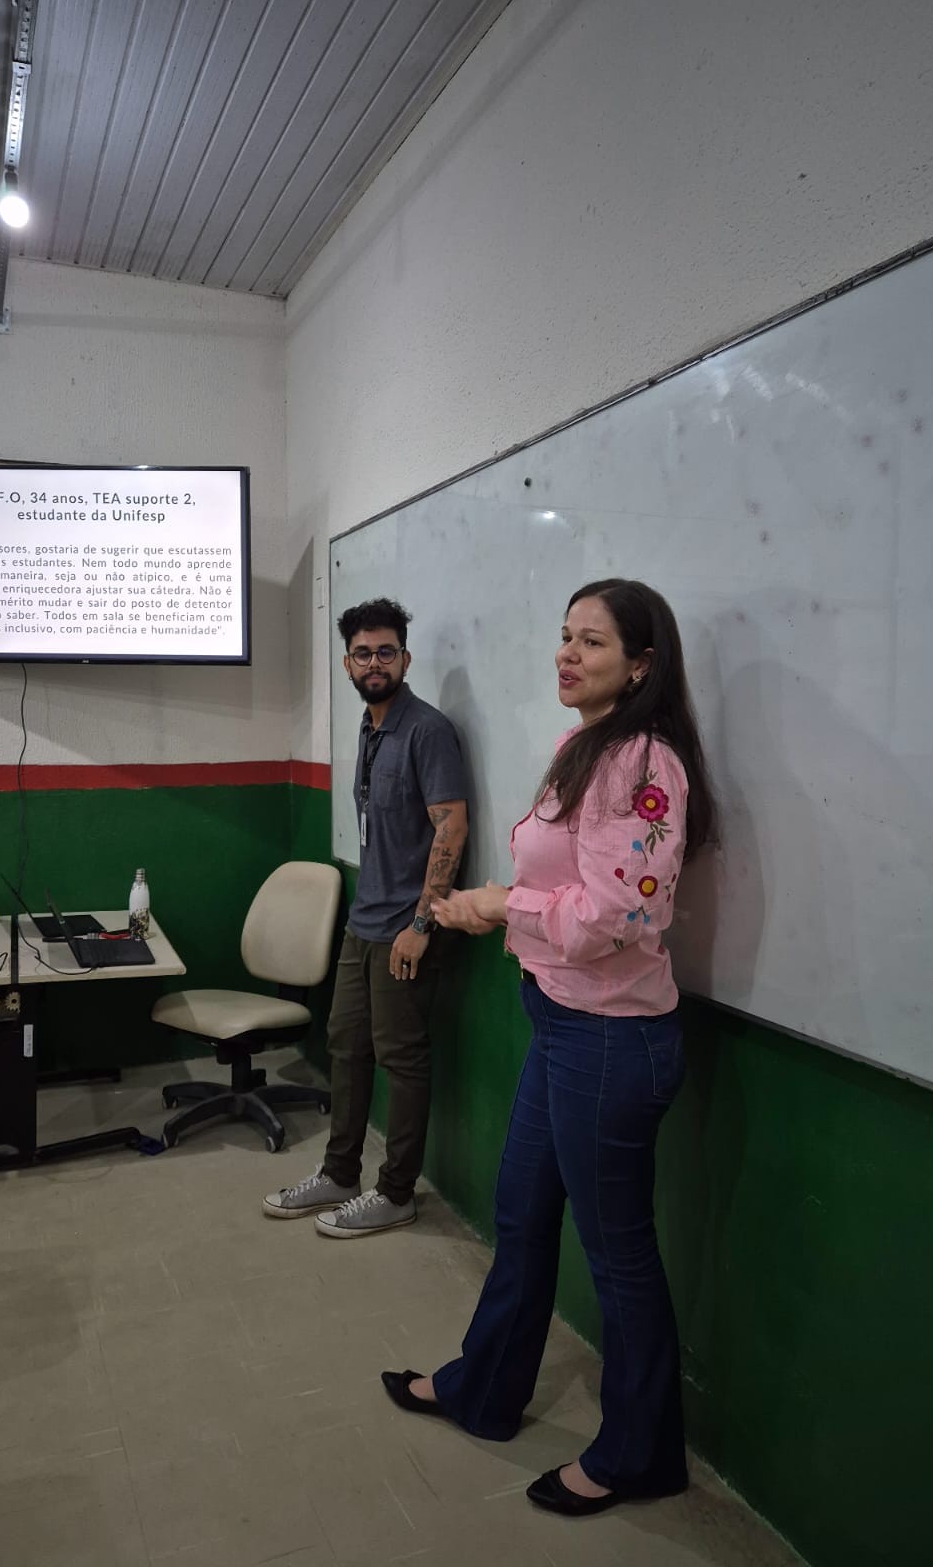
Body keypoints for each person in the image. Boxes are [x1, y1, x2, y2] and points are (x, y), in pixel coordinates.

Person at [380, 578, 716, 1516]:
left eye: (593, 644)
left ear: (641, 665)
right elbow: (569, 878)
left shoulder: (647, 763)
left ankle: (639, 1455)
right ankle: (483, 1389)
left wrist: (499, 906)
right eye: (565, 637)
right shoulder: (584, 746)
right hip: (559, 1022)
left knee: (619, 1258)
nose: (567, 655)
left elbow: (625, 912)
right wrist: (493, 902)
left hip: (613, 1043)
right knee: (523, 1218)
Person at [264, 597, 468, 1237]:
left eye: (386, 651)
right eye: (362, 653)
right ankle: (339, 1173)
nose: (374, 662)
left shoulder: (426, 730)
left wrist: (421, 925)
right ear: (348, 663)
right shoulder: (371, 725)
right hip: (364, 920)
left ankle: (397, 1192)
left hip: (406, 929)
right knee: (346, 1047)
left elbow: (450, 829)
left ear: (405, 658)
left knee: (402, 1062)